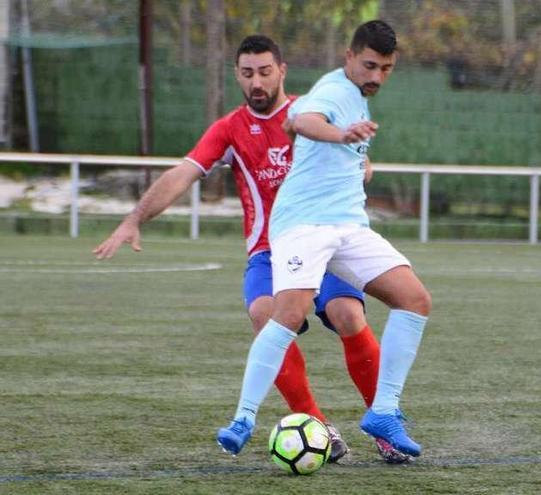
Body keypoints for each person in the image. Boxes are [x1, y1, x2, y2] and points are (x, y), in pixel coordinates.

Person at [93, 35, 409, 464]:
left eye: (264, 72)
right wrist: (134, 219)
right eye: (247, 74)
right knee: (264, 315)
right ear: (237, 76)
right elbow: (183, 173)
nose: (256, 82)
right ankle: (318, 427)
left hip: (326, 237)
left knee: (347, 313)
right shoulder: (230, 129)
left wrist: (354, 161)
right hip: (269, 250)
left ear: (282, 71)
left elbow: (360, 158)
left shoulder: (312, 108)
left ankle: (385, 425)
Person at [216, 20, 432, 459]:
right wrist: (340, 134)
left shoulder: (357, 98)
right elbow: (304, 119)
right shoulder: (333, 91)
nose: (376, 76)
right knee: (287, 314)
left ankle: (384, 411)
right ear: (349, 58)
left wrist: (357, 157)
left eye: (386, 69)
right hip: (304, 225)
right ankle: (243, 417)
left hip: (348, 226)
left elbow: (326, 144)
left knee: (415, 299)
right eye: (369, 65)